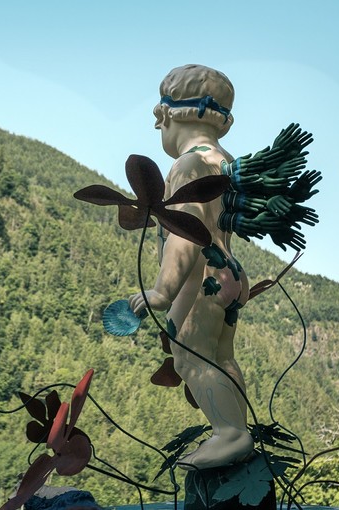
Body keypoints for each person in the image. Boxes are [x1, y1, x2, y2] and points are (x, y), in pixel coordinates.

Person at [128, 64, 255, 470]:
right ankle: (238, 428)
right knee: (222, 355)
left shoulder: (186, 165)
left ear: (168, 116)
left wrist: (162, 290)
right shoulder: (223, 159)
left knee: (189, 356)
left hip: (201, 278)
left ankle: (230, 434)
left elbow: (186, 231)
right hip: (229, 271)